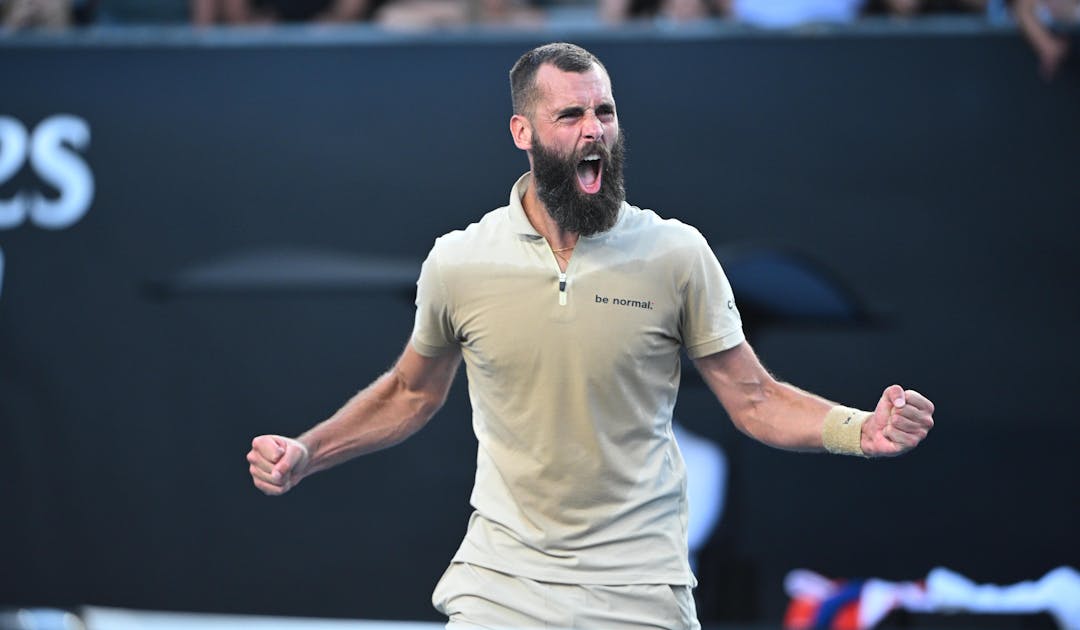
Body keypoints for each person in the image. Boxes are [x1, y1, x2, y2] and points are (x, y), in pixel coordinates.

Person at [246, 42, 936, 629]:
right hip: (501, 588)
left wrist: (857, 429)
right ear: (523, 132)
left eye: (604, 111)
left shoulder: (676, 253)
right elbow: (408, 395)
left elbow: (755, 399)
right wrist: (310, 451)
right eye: (570, 114)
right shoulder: (459, 261)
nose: (594, 130)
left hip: (639, 591)